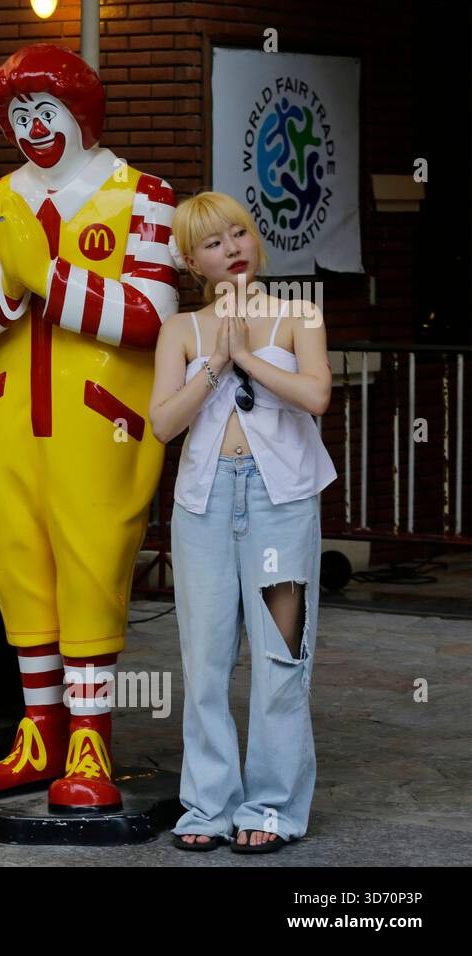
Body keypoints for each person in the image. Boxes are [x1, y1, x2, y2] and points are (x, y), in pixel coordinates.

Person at [0, 43, 178, 810]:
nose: (33, 128)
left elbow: (150, 315)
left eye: (45, 111)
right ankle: (39, 734)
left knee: (90, 568)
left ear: (81, 112)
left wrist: (45, 276)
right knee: (18, 571)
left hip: (99, 425)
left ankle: (90, 742)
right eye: (18, 115)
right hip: (8, 420)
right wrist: (9, 288)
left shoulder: (145, 196)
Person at [147, 191, 336, 853]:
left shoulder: (298, 315)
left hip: (281, 505)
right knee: (205, 661)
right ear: (192, 261)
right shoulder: (180, 331)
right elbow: (162, 423)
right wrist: (217, 362)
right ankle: (208, 806)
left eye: (239, 234)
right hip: (203, 506)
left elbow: (316, 394)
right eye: (213, 243)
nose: (232, 249)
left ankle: (273, 807)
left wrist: (249, 357)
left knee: (282, 654)